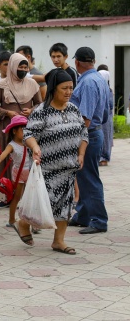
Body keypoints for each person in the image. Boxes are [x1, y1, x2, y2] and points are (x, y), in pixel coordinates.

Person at [20, 68, 88, 253]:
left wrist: (81, 153)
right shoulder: (42, 111)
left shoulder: (73, 109)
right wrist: (35, 147)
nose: (68, 92)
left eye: (71, 88)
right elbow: (28, 134)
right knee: (45, 203)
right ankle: (24, 223)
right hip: (48, 168)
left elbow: (84, 133)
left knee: (65, 205)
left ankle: (58, 241)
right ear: (53, 89)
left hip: (69, 167)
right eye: (64, 88)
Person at [0, 53, 42, 202]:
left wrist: (31, 110)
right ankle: (6, 193)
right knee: (7, 159)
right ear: (13, 67)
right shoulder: (2, 84)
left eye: (26, 67)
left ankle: (25, 195)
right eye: (20, 67)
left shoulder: (32, 84)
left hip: (27, 127)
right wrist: (8, 113)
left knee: (25, 159)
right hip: (8, 128)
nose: (23, 70)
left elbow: (40, 104)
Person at [69, 47, 109, 234]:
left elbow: (85, 117)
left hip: (87, 135)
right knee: (83, 177)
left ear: (77, 62)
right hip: (94, 132)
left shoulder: (88, 82)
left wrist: (78, 140)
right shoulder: (99, 79)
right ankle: (83, 215)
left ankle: (99, 220)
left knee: (90, 178)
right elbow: (106, 113)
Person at [0, 115, 32, 227]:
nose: (25, 132)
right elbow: (3, 155)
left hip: (30, 172)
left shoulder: (29, 142)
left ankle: (31, 222)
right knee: (16, 197)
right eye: (22, 130)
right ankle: (11, 220)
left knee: (31, 197)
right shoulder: (12, 145)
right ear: (14, 131)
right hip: (18, 173)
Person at [97, 66, 114, 167]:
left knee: (105, 137)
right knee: (104, 137)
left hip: (104, 117)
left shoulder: (105, 89)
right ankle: (102, 157)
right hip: (103, 116)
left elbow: (110, 105)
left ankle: (104, 158)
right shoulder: (108, 89)